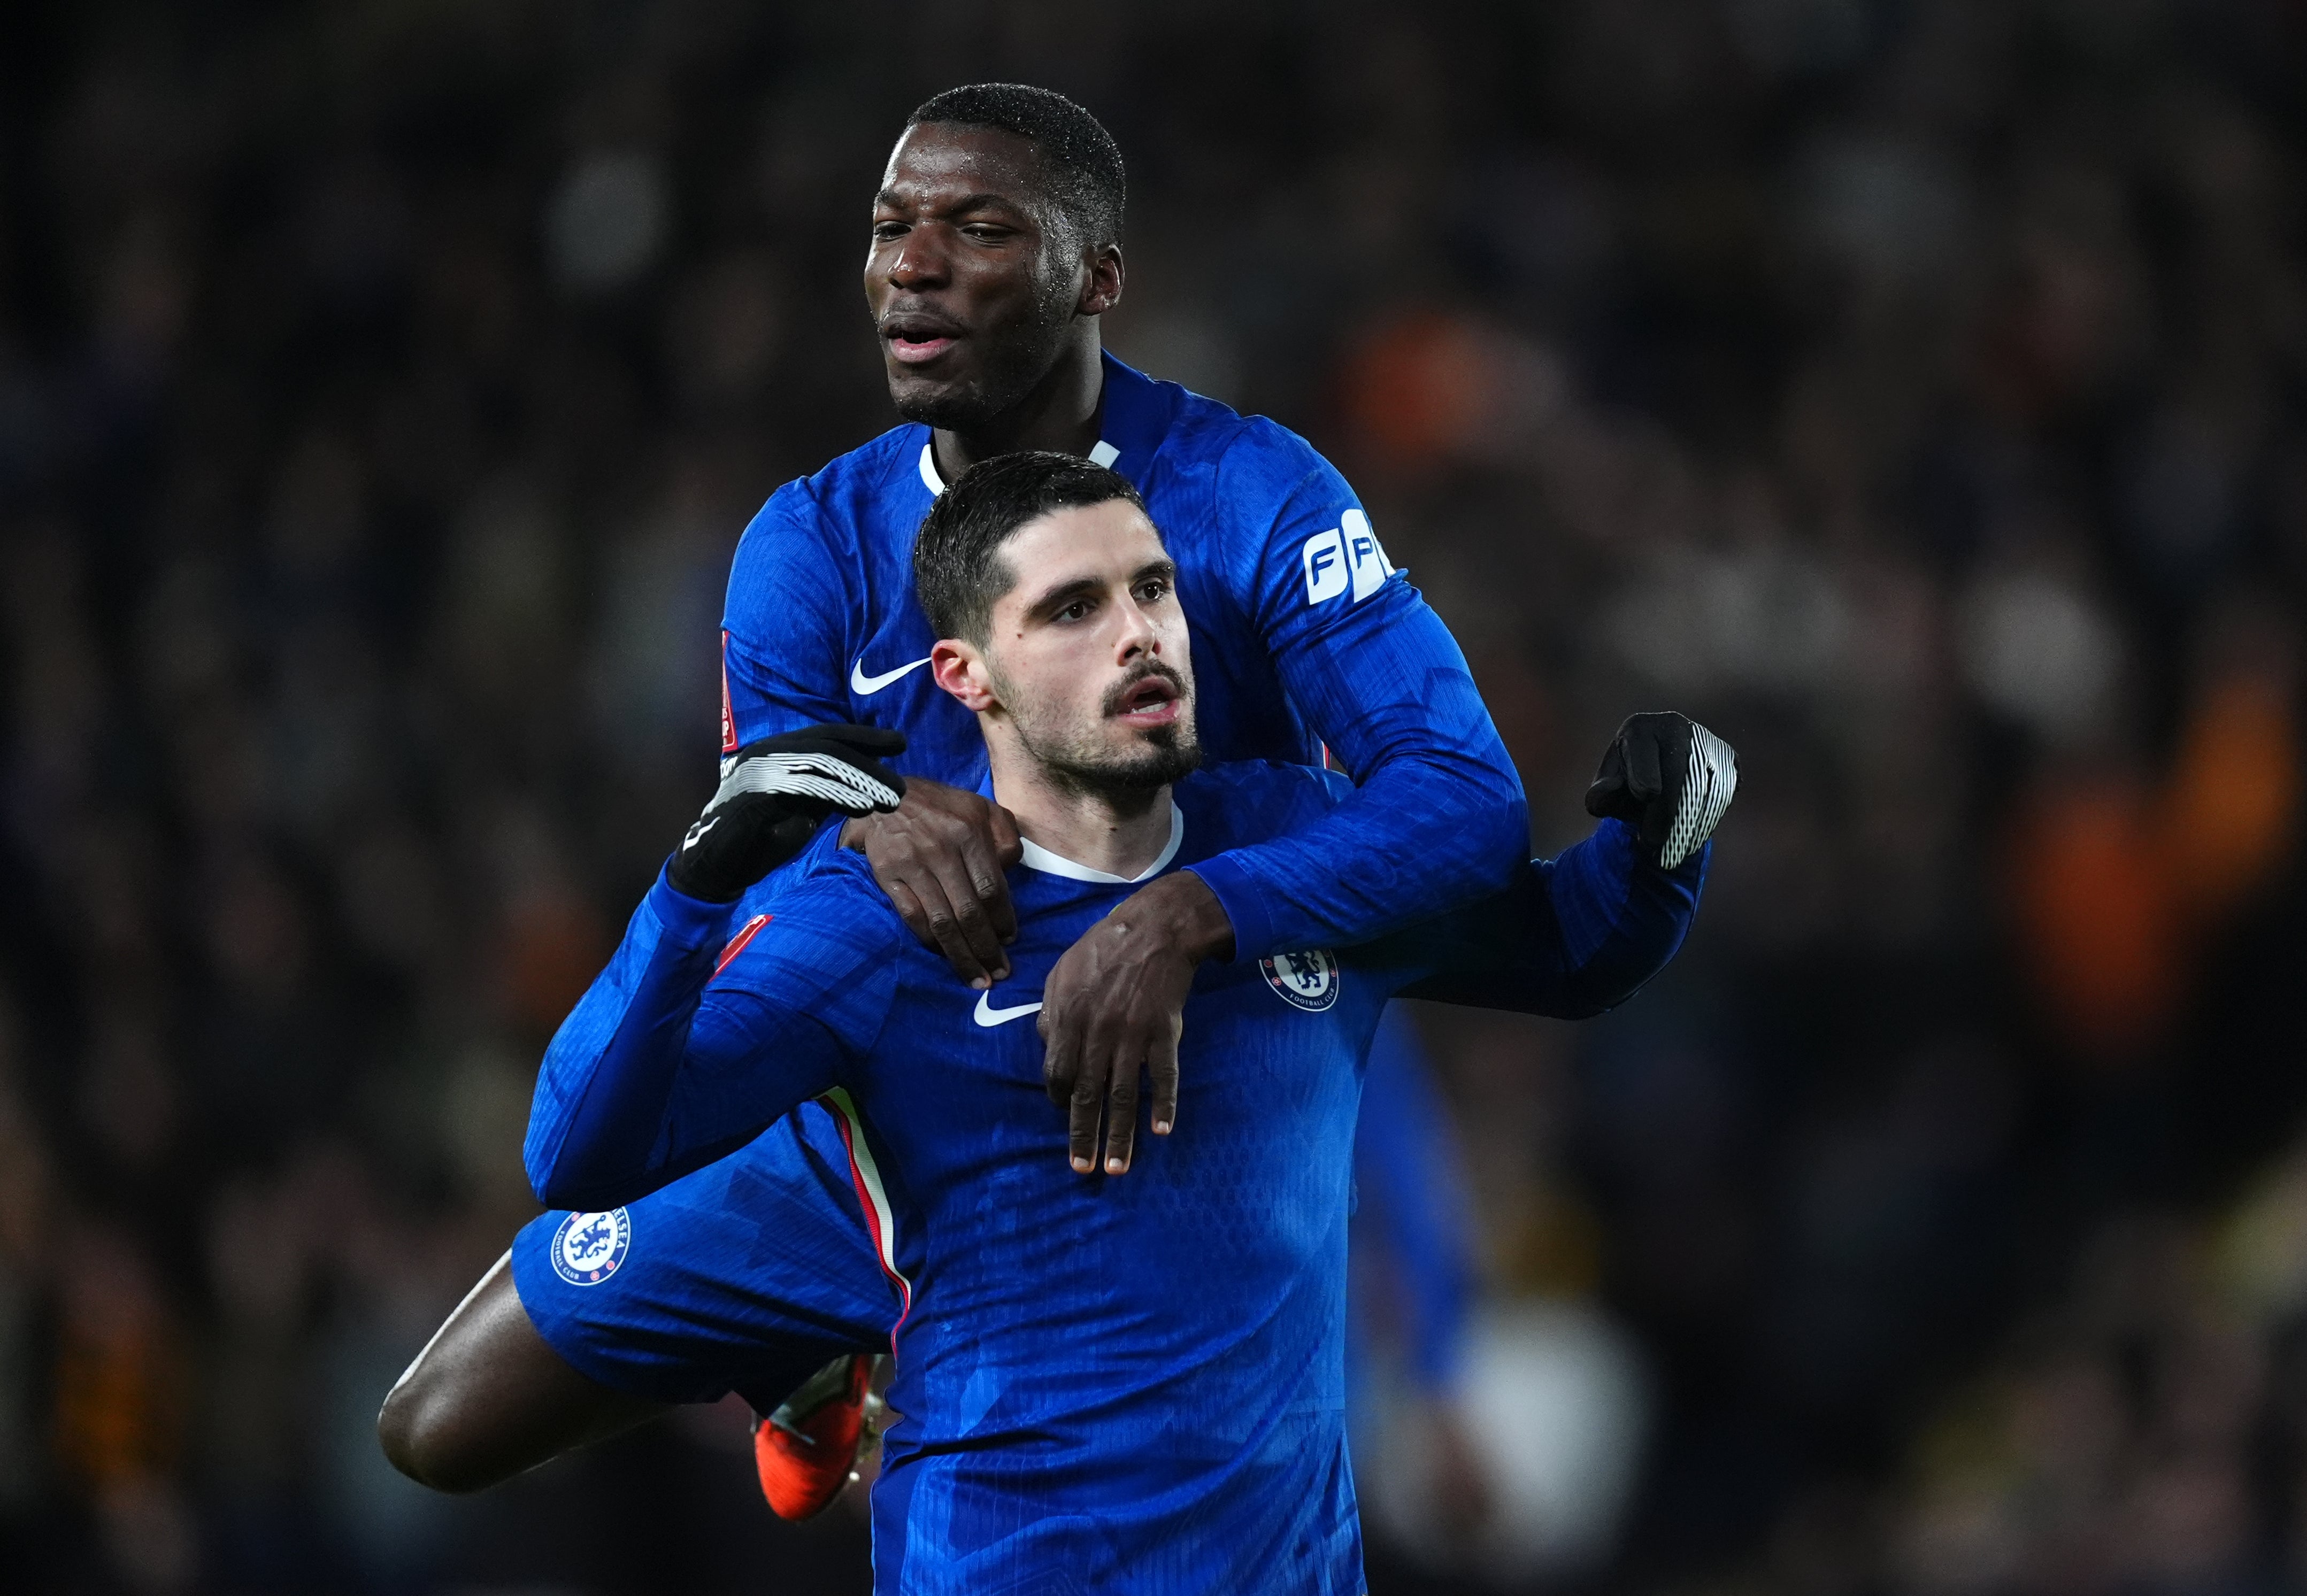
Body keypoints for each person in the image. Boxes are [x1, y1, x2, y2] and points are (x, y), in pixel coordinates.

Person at [379, 80, 1541, 1514]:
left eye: (977, 229)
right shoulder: (809, 539)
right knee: (437, 1423)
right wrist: (862, 820)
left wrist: (1192, 910)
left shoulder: (1250, 495)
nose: (911, 266)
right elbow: (771, 836)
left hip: (1131, 1129)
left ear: (1095, 275)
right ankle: (815, 1357)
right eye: (889, 229)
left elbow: (1464, 803)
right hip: (866, 1102)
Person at [522, 452, 1727, 1592]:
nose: (1141, 630)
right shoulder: (884, 931)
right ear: (965, 676)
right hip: (1000, 1567)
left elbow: (1570, 947)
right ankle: (801, 1362)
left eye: (1153, 588)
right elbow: (580, 1154)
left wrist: (1667, 839)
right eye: (1072, 609)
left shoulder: (1304, 841)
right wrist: (689, 897)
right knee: (440, 1420)